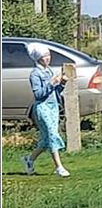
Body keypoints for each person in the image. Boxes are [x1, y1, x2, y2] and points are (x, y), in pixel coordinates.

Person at [21, 43, 70, 177]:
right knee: (52, 134)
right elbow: (39, 94)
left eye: (48, 55)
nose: (48, 58)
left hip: (53, 107)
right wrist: (52, 83)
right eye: (44, 56)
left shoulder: (49, 71)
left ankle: (29, 160)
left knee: (46, 140)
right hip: (42, 108)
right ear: (38, 58)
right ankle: (59, 167)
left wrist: (62, 83)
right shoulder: (35, 74)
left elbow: (55, 92)